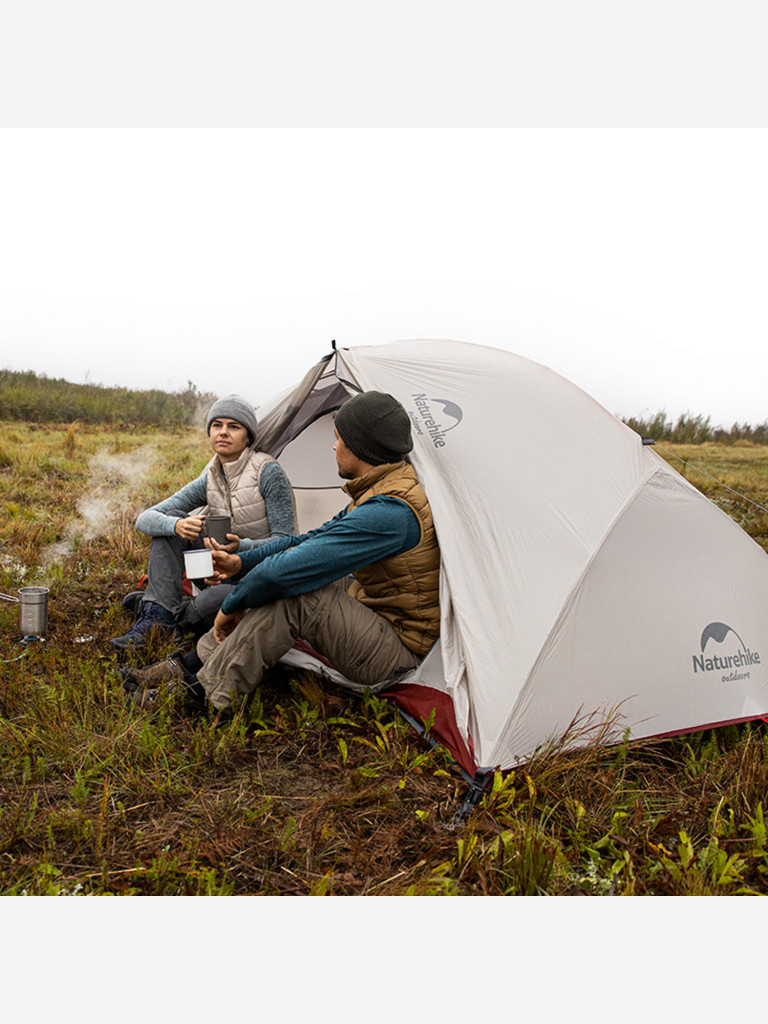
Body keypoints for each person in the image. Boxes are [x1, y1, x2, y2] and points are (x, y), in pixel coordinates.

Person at [126, 391, 440, 713]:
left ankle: (205, 695)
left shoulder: (389, 512)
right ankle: (190, 665)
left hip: (397, 650)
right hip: (373, 608)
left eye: (338, 438)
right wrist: (240, 562)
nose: (334, 447)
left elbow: (287, 570)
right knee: (287, 580)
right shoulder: (380, 492)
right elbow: (307, 540)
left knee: (294, 593)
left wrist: (233, 602)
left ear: (359, 446)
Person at [111, 394, 296, 651]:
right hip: (217, 571)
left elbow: (287, 541)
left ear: (248, 437)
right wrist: (175, 526)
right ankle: (157, 615)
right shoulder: (209, 477)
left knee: (222, 601)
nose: (223, 432)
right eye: (216, 425)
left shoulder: (268, 472)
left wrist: (240, 547)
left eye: (233, 427)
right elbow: (145, 519)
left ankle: (164, 614)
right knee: (173, 516)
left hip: (256, 575)